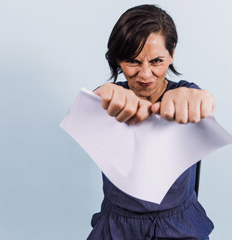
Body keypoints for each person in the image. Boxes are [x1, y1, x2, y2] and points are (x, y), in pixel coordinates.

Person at [87, 4, 215, 240]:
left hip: (181, 227)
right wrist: (104, 93)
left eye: (156, 61)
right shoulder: (109, 100)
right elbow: (90, 104)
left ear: (171, 54)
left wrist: (197, 98)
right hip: (116, 228)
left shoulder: (186, 93)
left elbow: (202, 101)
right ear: (117, 60)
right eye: (133, 62)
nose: (145, 75)